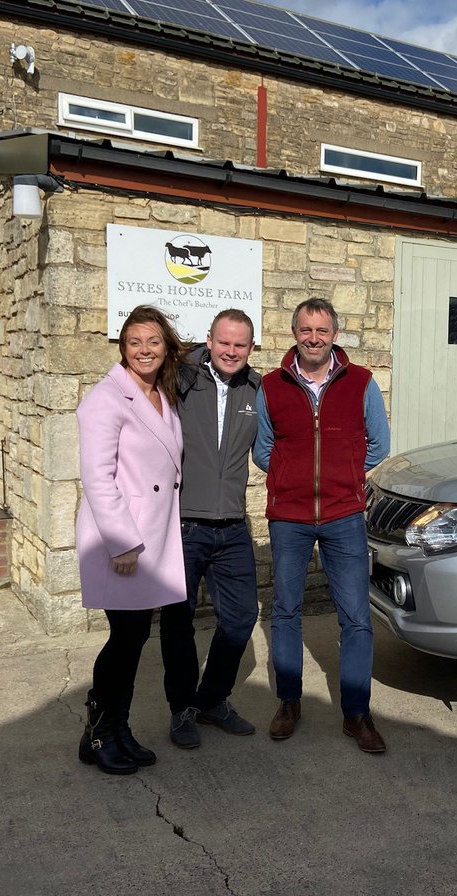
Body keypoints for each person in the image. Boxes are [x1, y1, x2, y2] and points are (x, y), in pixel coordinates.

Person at [253, 298, 391, 753]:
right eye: (306, 330)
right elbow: (262, 449)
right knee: (287, 611)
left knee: (355, 617)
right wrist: (290, 478)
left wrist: (347, 476)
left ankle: (356, 713)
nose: (314, 338)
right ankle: (289, 702)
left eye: (323, 330)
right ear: (294, 332)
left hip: (343, 515)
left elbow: (379, 444)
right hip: (290, 517)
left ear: (335, 334)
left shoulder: (362, 383)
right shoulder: (271, 386)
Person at [74, 305, 187, 776]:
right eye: (135, 341)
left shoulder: (162, 394)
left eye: (154, 342)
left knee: (136, 636)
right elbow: (97, 478)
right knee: (125, 639)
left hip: (154, 535)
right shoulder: (105, 398)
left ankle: (116, 730)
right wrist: (121, 543)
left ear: (166, 348)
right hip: (124, 541)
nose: (145, 350)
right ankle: (100, 732)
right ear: (122, 346)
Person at [159, 309, 262, 749]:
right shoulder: (180, 377)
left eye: (240, 344)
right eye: (224, 342)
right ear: (209, 340)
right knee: (178, 621)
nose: (231, 351)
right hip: (184, 525)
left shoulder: (259, 390)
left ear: (251, 348)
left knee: (241, 619)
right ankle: (182, 709)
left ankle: (212, 699)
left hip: (233, 526)